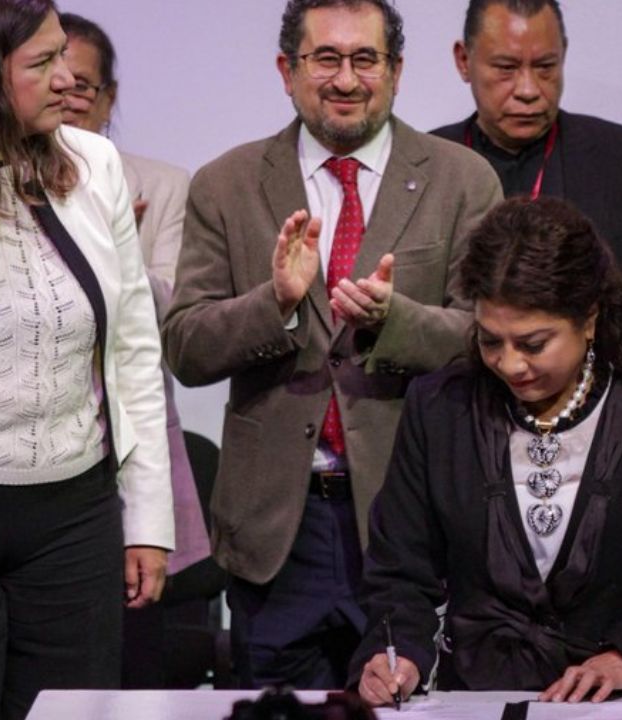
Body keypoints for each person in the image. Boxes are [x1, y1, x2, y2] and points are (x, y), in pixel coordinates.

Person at [162, 0, 502, 690]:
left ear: (397, 71)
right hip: (277, 535)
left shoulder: (463, 181)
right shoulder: (226, 185)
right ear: (288, 70)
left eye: (365, 59)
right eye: (326, 59)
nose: (346, 80)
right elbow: (187, 348)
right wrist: (276, 305)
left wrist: (393, 322)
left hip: (412, 525)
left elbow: (489, 339)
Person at [352, 197, 622, 706]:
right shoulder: (440, 407)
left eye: (533, 343)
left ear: (588, 319)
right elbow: (399, 569)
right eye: (489, 341)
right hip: (479, 699)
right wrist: (398, 654)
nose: (508, 364)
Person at [0, 1, 173, 718]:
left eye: (65, 55)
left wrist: (148, 518)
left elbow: (132, 349)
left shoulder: (95, 164)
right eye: (42, 64)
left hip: (73, 520)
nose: (70, 81)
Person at [56, 11, 217, 688]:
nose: (68, 96)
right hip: (36, 456)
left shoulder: (161, 183)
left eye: (83, 87)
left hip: (132, 447)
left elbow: (170, 318)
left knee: (133, 658)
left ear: (110, 98)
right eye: (50, 79)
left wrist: (112, 243)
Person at [433, 0, 622, 356]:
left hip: (613, 403)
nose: (528, 90)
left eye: (545, 67)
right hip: (460, 402)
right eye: (506, 68)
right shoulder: (424, 168)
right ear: (464, 61)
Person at [57, 12, 190, 290]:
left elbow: (174, 305)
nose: (64, 101)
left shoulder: (166, 187)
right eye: (54, 85)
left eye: (80, 87)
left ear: (109, 100)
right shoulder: (1, 182)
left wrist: (118, 253)